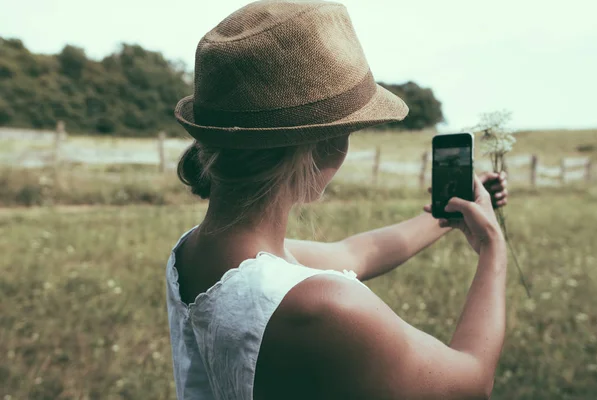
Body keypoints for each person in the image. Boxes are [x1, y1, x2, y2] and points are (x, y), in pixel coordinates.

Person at [165, 1, 509, 399]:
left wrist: (447, 214)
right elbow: (472, 382)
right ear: (327, 146)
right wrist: (491, 249)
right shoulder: (324, 307)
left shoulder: (195, 252)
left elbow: (353, 253)